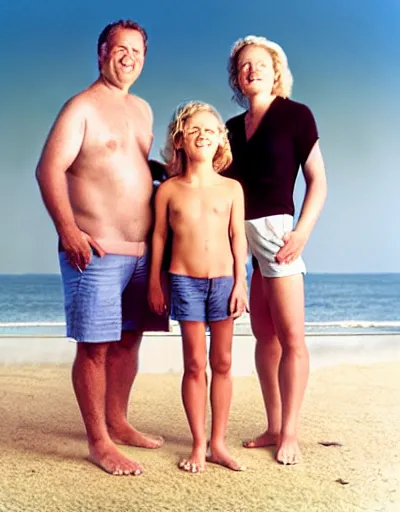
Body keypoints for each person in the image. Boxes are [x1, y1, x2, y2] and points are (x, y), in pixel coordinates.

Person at [35, 20, 168, 476]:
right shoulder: (81, 108)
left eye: (137, 51)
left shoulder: (145, 110)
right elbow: (48, 169)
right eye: (120, 49)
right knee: (95, 347)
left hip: (142, 253)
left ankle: (118, 421)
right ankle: (99, 442)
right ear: (101, 53)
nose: (129, 57)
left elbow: (139, 170)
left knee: (129, 340)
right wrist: (68, 229)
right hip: (96, 250)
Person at [224, 35, 327, 465]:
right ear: (237, 77)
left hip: (277, 233)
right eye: (244, 65)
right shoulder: (229, 129)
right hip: (240, 237)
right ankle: (272, 424)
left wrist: (301, 234)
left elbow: (318, 181)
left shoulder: (296, 116)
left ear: (276, 71)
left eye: (260, 64)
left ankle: (290, 433)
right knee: (264, 337)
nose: (252, 70)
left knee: (292, 339)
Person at [149, 101, 248, 473]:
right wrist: (156, 284)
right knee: (194, 364)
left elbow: (239, 238)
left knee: (222, 362)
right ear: (179, 141)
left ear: (221, 139)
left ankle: (218, 444)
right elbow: (159, 238)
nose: (202, 135)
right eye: (193, 130)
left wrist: (242, 283)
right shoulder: (169, 191)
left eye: (210, 129)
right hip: (183, 281)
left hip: (224, 282)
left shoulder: (232, 189)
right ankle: (198, 444)